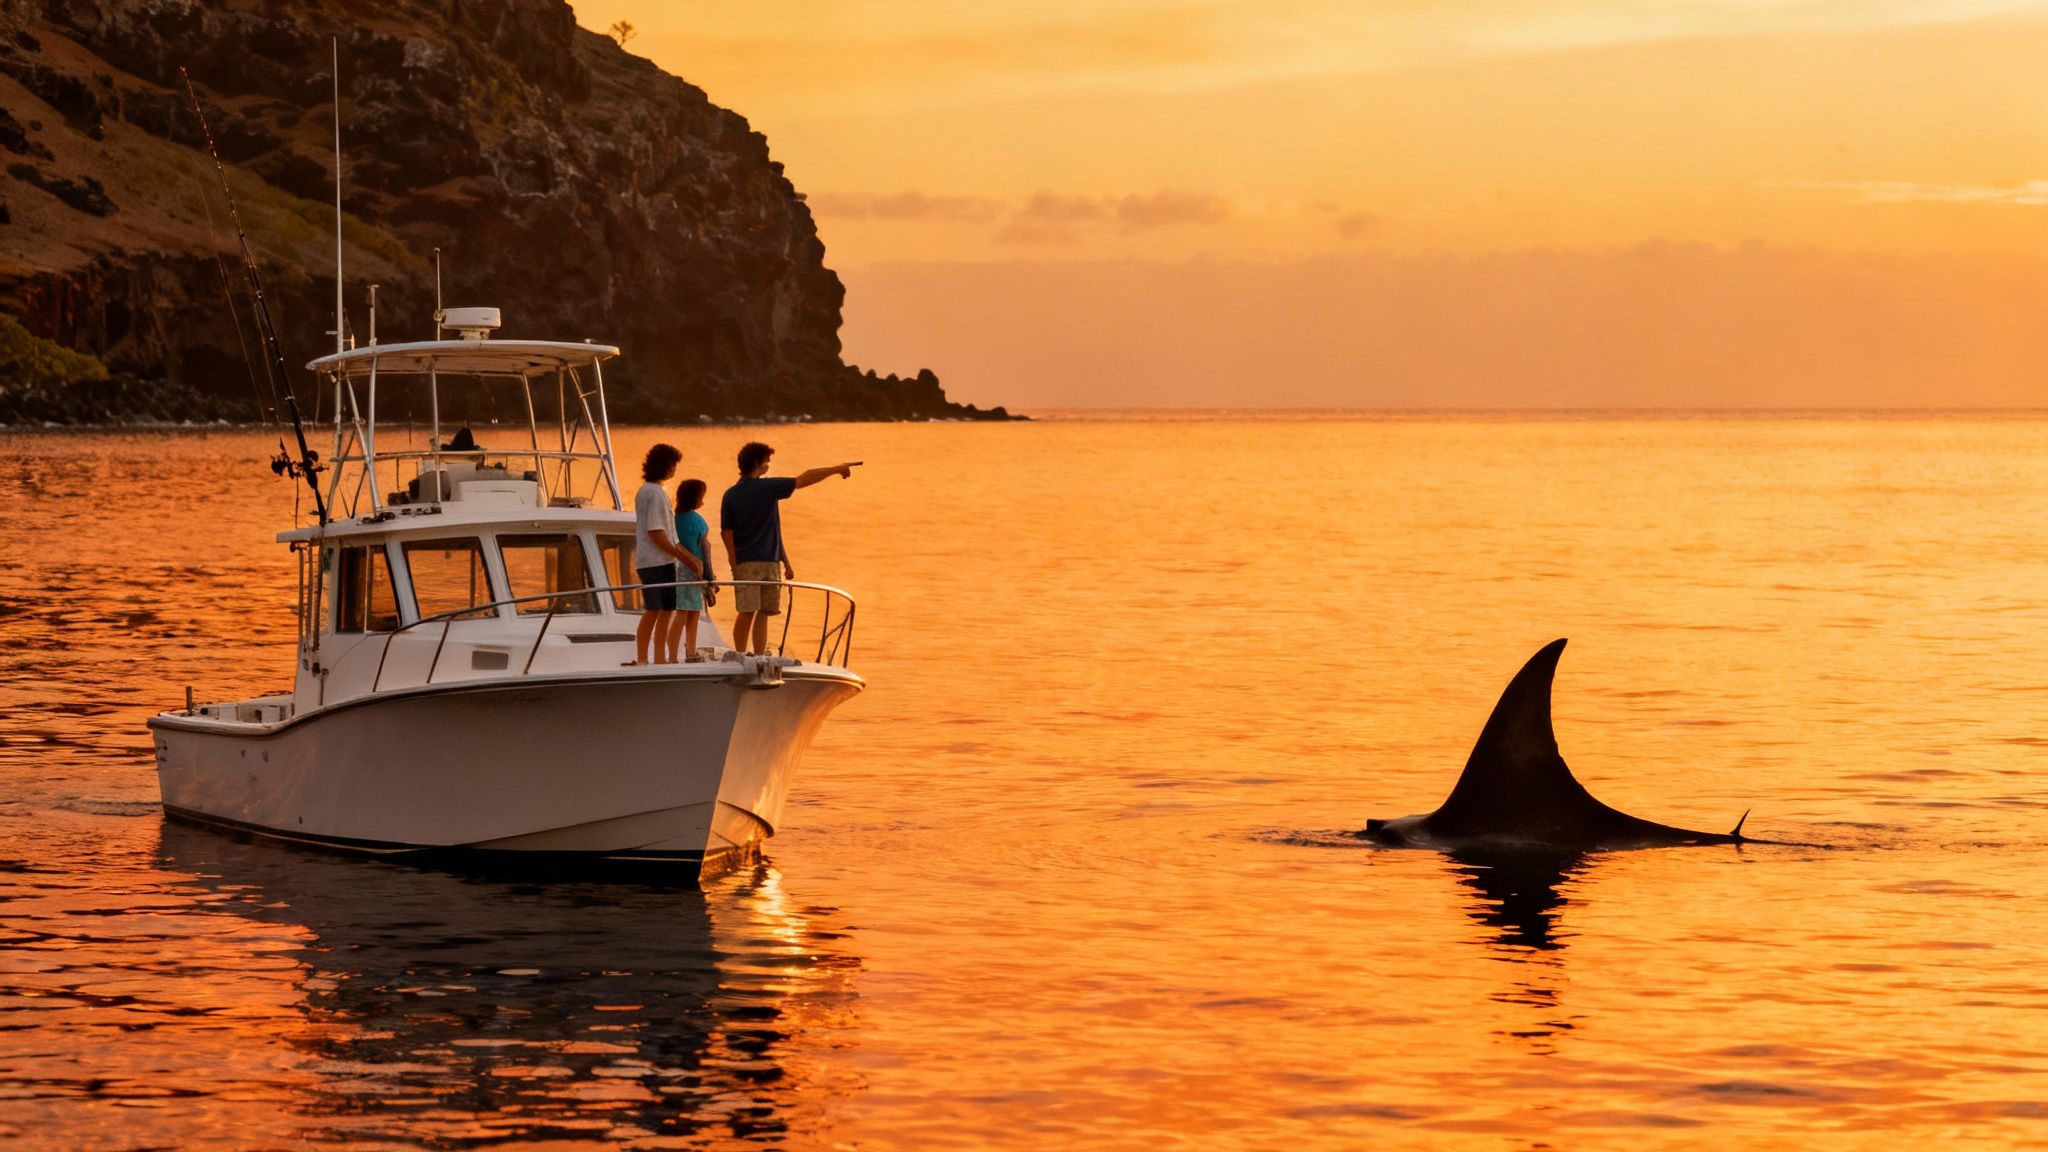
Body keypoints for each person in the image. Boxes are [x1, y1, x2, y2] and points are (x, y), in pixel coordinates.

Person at [720, 441, 859, 655]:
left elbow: (729, 533)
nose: (769, 465)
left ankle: (750, 654)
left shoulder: (731, 494)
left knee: (754, 610)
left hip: (756, 561)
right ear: (757, 463)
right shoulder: (768, 488)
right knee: (758, 612)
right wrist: (836, 469)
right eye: (767, 461)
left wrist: (783, 561)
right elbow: (804, 478)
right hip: (763, 562)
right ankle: (748, 654)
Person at [630, 444, 705, 665]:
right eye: (672, 464)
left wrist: (691, 559)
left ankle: (659, 658)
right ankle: (643, 658)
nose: (674, 469)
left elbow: (670, 536)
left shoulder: (652, 491)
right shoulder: (654, 493)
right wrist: (681, 556)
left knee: (665, 610)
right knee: (654, 609)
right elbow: (656, 533)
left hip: (660, 561)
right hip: (654, 562)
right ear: (662, 466)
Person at [665, 478, 717, 662]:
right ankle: (687, 653)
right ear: (695, 498)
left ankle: (678, 653)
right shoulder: (697, 521)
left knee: (685, 612)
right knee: (690, 614)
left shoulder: (674, 520)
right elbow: (705, 548)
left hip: (679, 570)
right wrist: (710, 576)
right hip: (694, 572)